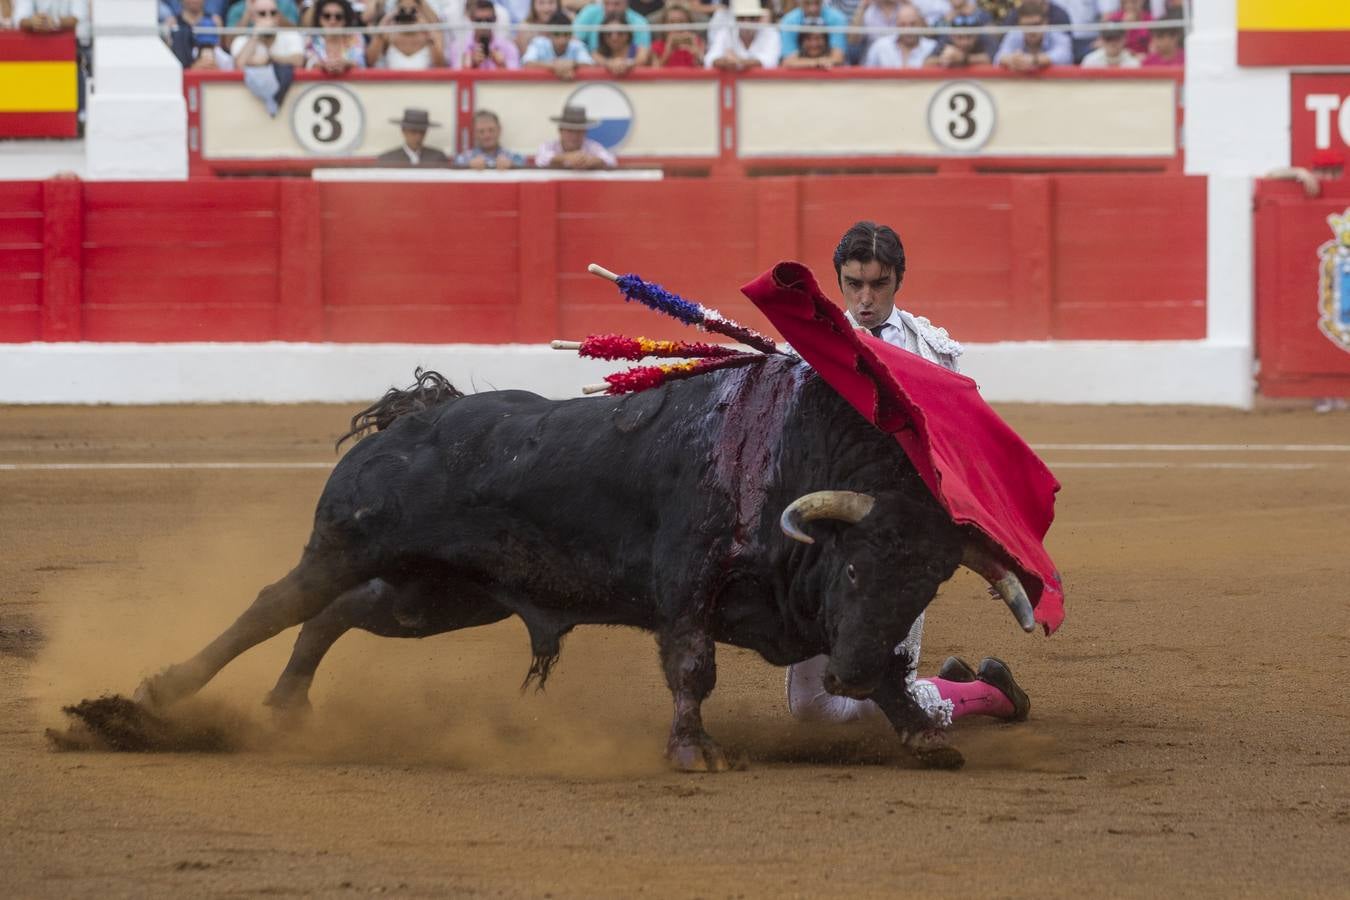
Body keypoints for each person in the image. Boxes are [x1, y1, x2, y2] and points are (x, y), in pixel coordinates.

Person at [785, 220, 1030, 731]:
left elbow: (964, 460)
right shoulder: (807, 349)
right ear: (839, 281)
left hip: (898, 546)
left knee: (877, 708)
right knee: (814, 711)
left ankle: (988, 693)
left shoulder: (933, 353)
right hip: (825, 545)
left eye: (878, 284)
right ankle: (957, 684)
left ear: (899, 279)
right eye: (854, 284)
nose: (865, 298)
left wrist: (995, 542)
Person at [994, 0, 1071, 71]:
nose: (1032, 30)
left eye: (1036, 24)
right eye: (1027, 25)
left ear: (1045, 23)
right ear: (1020, 24)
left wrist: (1034, 60)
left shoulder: (1057, 35)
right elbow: (998, 58)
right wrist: (1012, 60)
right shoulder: (1015, 34)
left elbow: (1065, 56)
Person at [535, 104, 616, 169]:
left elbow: (610, 160)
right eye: (570, 131)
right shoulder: (549, 145)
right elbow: (540, 159)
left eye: (579, 131)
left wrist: (593, 161)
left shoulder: (592, 146)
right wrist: (566, 158)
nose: (574, 136)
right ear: (560, 131)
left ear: (585, 132)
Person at [366, 0, 445, 67]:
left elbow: (440, 66)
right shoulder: (388, 35)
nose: (407, 13)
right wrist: (387, 20)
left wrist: (427, 31)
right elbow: (370, 62)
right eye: (402, 10)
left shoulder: (431, 36)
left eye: (412, 10)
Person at [705, 0, 778, 71]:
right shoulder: (726, 33)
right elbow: (709, 59)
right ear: (735, 19)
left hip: (762, 82)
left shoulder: (770, 33)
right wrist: (725, 62)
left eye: (752, 18)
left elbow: (771, 61)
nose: (746, 22)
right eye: (741, 18)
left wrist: (739, 62)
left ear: (759, 18)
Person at [521, 9, 594, 77]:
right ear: (548, 34)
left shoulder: (577, 46)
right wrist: (555, 66)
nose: (562, 40)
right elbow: (527, 64)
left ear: (571, 34)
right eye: (557, 34)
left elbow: (590, 66)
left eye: (566, 34)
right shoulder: (538, 43)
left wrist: (573, 64)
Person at [230, 0, 305, 66]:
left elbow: (298, 61)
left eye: (273, 13)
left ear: (278, 16)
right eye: (262, 13)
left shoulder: (292, 36)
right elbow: (239, 65)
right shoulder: (241, 40)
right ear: (252, 18)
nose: (268, 17)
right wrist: (255, 36)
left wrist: (269, 59)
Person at [863, 3, 935, 68]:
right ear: (896, 25)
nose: (908, 30)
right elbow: (866, 75)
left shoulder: (932, 47)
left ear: (920, 24)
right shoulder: (880, 46)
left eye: (913, 24)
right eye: (903, 25)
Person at [452, 0, 521, 68]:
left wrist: (503, 65)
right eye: (478, 20)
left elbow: (517, 76)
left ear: (495, 19)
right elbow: (454, 75)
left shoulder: (509, 47)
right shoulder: (459, 46)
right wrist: (471, 64)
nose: (484, 25)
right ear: (471, 19)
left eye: (488, 20)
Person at [573, 0, 651, 58]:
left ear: (627, 3)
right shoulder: (589, 12)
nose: (610, 9)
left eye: (616, 4)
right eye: (606, 3)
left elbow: (642, 54)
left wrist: (626, 65)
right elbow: (574, 42)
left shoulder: (639, 22)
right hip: (593, 69)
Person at [777, 0, 846, 65]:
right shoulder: (789, 21)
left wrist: (802, 63)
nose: (812, 9)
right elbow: (788, 61)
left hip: (830, 73)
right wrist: (818, 63)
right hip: (799, 74)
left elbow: (838, 58)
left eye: (817, 3)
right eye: (807, 3)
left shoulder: (837, 18)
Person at [376, 107, 450, 166]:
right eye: (413, 131)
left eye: (422, 132)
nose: (418, 136)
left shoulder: (437, 158)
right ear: (403, 131)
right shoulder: (388, 160)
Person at [454, 109, 526, 168]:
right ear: (475, 134)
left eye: (491, 130)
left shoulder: (514, 157)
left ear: (499, 130)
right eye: (481, 131)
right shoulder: (464, 159)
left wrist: (512, 166)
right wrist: (468, 166)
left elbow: (524, 167)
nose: (487, 135)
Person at [306, 0, 366, 71]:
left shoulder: (356, 37)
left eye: (338, 17)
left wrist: (347, 64)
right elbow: (307, 63)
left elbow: (361, 64)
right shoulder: (311, 39)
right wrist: (322, 65)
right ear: (320, 19)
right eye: (327, 16)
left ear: (345, 20)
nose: (332, 21)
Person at [923, 12, 989, 67]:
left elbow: (991, 59)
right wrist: (944, 59)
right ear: (952, 36)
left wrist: (964, 58)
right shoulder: (946, 39)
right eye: (960, 37)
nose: (964, 42)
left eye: (969, 37)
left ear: (976, 36)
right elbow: (927, 62)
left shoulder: (983, 38)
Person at [652, 3, 703, 68]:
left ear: (689, 23)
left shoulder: (697, 41)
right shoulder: (657, 45)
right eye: (671, 22)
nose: (677, 26)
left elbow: (704, 69)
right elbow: (654, 72)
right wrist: (667, 52)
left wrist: (696, 54)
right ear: (664, 24)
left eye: (681, 22)